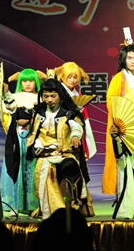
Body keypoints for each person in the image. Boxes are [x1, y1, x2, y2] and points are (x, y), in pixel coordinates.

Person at [22, 77, 94, 219]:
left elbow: (76, 126)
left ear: (59, 95)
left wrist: (75, 136)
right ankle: (47, 209)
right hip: (45, 154)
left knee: (71, 166)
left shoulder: (68, 111)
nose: (49, 100)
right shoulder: (38, 111)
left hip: (64, 152)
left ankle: (77, 204)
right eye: (46, 96)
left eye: (53, 96)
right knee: (43, 175)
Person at [103, 42, 134, 195]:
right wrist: (123, 116)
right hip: (124, 124)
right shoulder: (118, 78)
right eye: (129, 58)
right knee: (123, 159)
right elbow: (111, 101)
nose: (133, 61)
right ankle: (123, 193)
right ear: (124, 60)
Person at [0, 68, 43, 214]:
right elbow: (8, 113)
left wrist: (31, 122)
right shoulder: (14, 97)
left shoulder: (42, 98)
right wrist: (6, 93)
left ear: (36, 82)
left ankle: (33, 205)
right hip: (17, 138)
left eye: (31, 81)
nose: (27, 84)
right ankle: (14, 205)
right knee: (15, 167)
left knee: (32, 171)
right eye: (24, 81)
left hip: (35, 140)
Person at [53, 61, 97, 160]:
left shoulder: (78, 95)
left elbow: (84, 118)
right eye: (69, 77)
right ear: (62, 76)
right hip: (60, 130)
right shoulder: (56, 93)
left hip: (77, 131)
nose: (72, 80)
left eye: (75, 77)